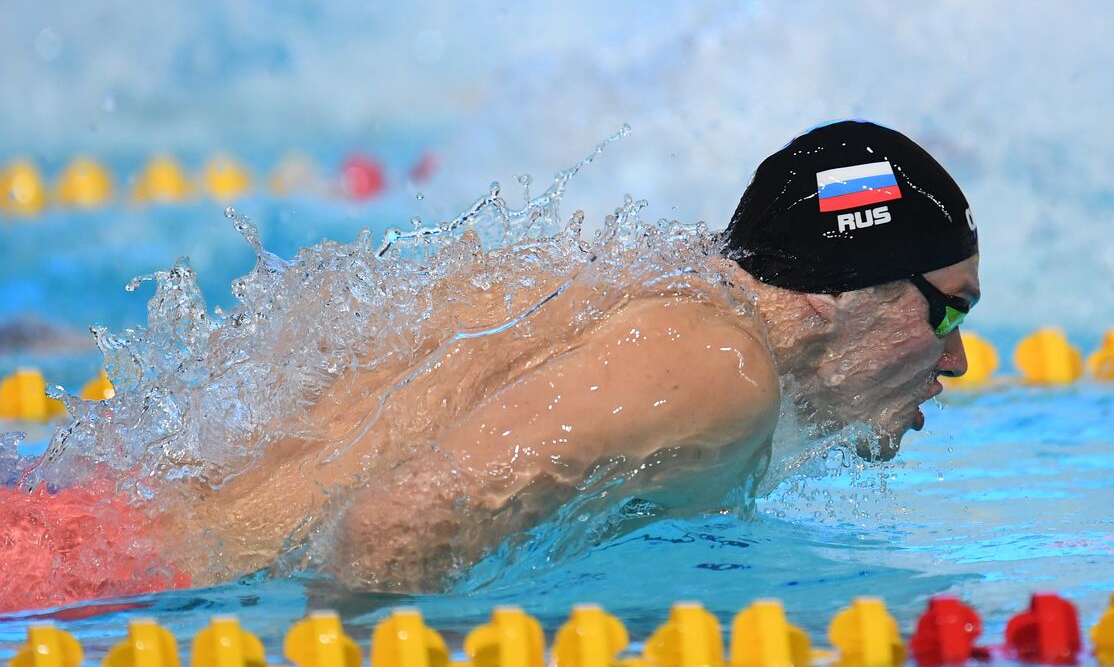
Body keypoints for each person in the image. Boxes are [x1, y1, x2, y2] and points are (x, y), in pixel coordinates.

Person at [1, 120, 981, 609]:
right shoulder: (715, 368)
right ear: (833, 292)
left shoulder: (652, 299)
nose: (957, 355)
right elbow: (392, 524)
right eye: (943, 309)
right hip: (99, 583)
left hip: (73, 534)